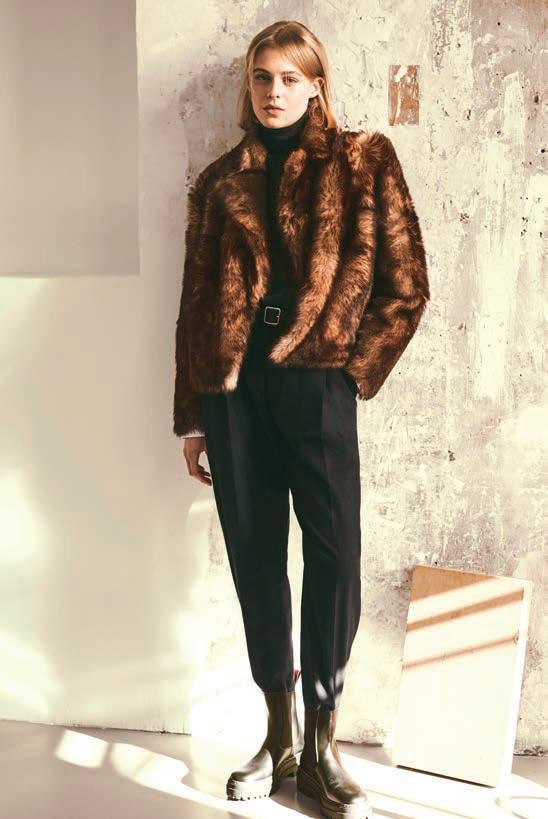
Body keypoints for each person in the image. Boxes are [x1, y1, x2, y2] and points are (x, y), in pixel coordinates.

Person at [173, 19, 429, 819]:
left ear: (316, 85)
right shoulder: (220, 181)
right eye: (262, 77)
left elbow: (406, 286)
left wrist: (350, 370)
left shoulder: (362, 161)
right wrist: (193, 415)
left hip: (318, 385)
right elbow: (195, 304)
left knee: (335, 554)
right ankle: (278, 734)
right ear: (248, 86)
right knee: (255, 558)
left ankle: (323, 743)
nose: (273, 91)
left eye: (289, 77)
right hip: (234, 391)